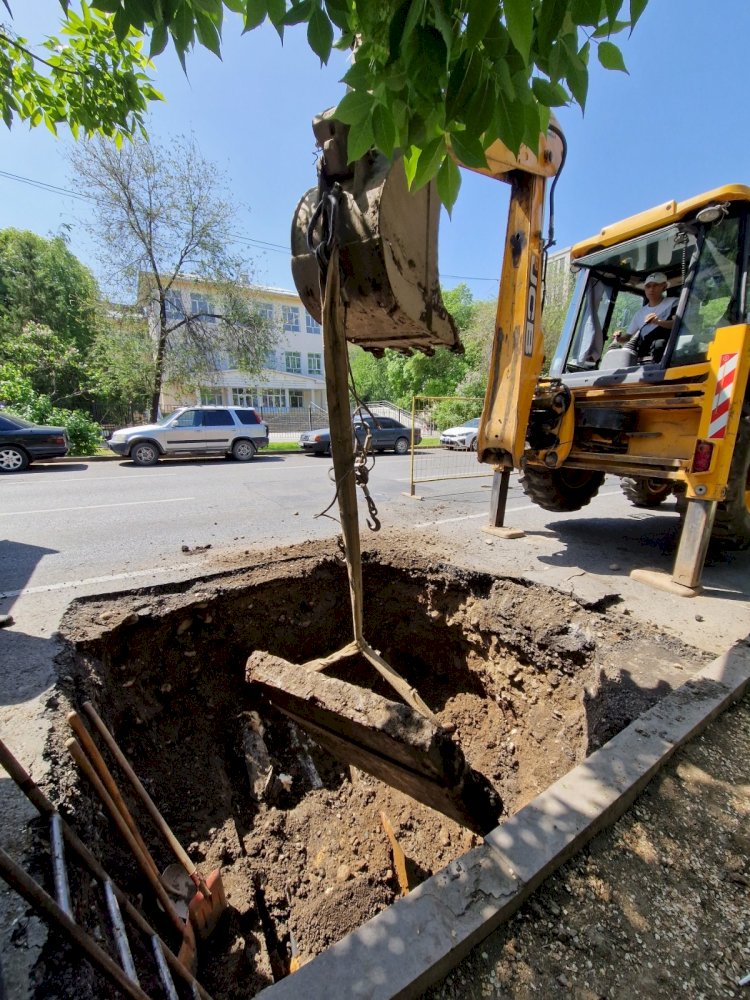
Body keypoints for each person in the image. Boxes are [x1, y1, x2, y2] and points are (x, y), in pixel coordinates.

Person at [613, 272, 676, 360]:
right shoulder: (640, 313)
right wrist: (618, 338)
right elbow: (627, 337)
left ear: (664, 287)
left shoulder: (674, 303)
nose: (651, 289)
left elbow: (677, 324)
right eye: (648, 286)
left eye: (655, 285)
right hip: (644, 356)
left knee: (659, 344)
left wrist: (658, 322)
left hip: (668, 354)